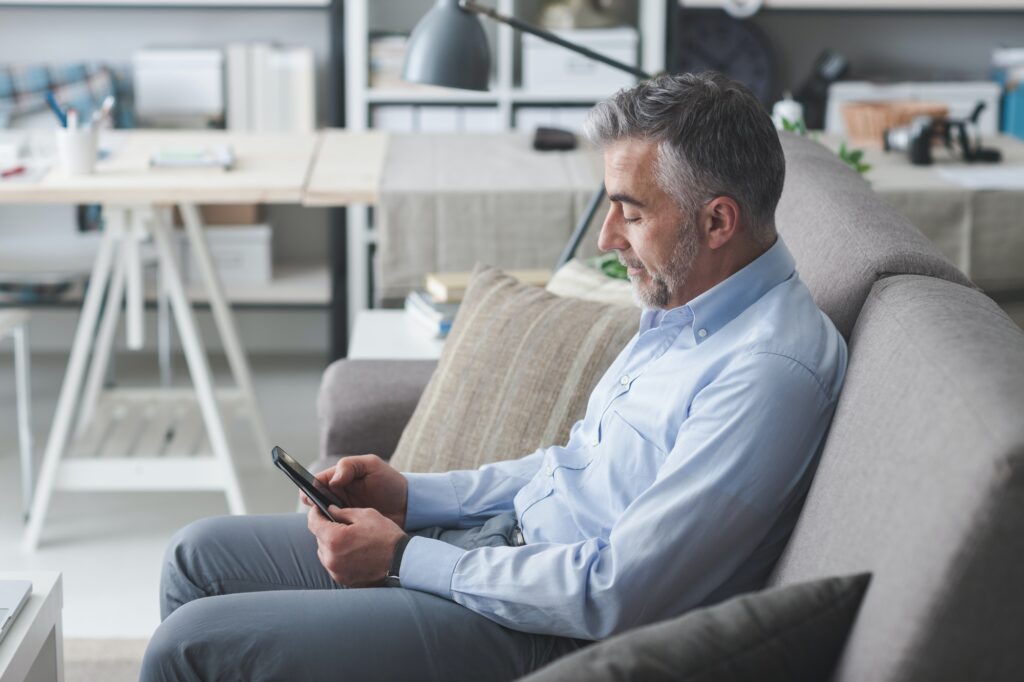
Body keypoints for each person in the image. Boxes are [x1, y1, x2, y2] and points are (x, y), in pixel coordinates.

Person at [141, 72, 847, 681]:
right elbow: (573, 465)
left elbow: (616, 591)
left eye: (629, 213)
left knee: (191, 648)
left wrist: (406, 556)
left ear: (717, 220)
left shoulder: (765, 374)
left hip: (545, 632)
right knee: (196, 554)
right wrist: (414, 497)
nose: (607, 238)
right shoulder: (688, 305)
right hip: (500, 557)